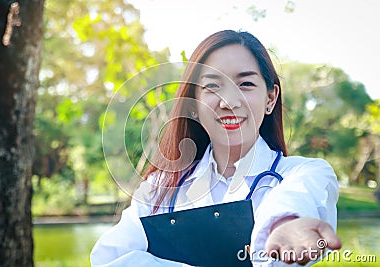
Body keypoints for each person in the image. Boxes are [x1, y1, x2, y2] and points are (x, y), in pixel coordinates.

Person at [90, 30, 341, 266]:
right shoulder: (160, 188)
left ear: (270, 98)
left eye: (246, 85)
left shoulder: (305, 173)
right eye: (212, 86)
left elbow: (298, 196)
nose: (228, 102)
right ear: (193, 104)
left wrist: (283, 223)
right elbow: (109, 257)